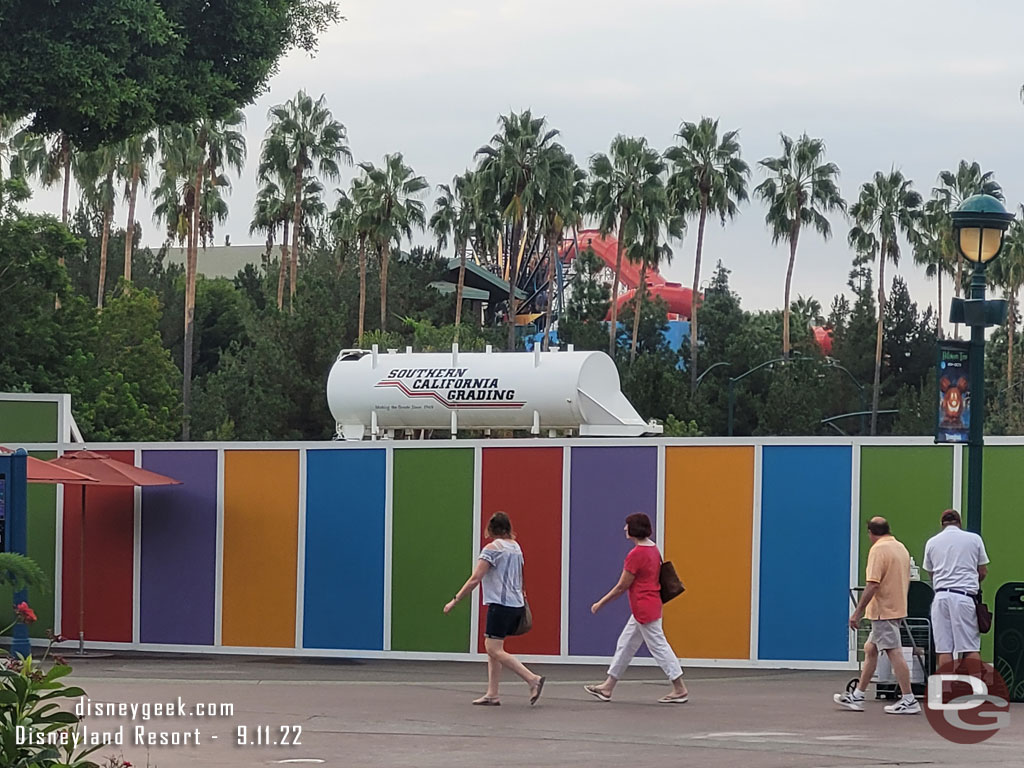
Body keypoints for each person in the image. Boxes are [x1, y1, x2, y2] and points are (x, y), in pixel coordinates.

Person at [584, 512, 688, 704]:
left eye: (627, 525)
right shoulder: (653, 549)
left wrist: (601, 603)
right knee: (626, 644)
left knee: (659, 646)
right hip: (650, 604)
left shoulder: (636, 555)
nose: (624, 528)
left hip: (643, 608)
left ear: (634, 529)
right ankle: (607, 687)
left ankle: (679, 688)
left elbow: (622, 586)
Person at [443, 511, 545, 706]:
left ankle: (533, 679)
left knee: (492, 648)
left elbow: (475, 578)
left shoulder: (492, 549)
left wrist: (455, 600)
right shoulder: (516, 547)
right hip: (516, 605)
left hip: (500, 605)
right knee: (495, 647)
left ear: (491, 528)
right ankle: (492, 693)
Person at [834, 517, 919, 714]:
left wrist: (857, 611)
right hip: (896, 607)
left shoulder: (878, 550)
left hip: (883, 610)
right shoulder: (900, 548)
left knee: (893, 651)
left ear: (871, 533)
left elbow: (873, 583)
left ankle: (908, 698)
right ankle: (858, 695)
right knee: (870, 649)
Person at [922, 509, 990, 669]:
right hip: (964, 596)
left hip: (940, 597)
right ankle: (975, 689)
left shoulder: (932, 542)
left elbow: (931, 573)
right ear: (959, 522)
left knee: (944, 649)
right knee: (970, 647)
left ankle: (946, 690)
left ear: (942, 524)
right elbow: (982, 571)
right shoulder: (974, 539)